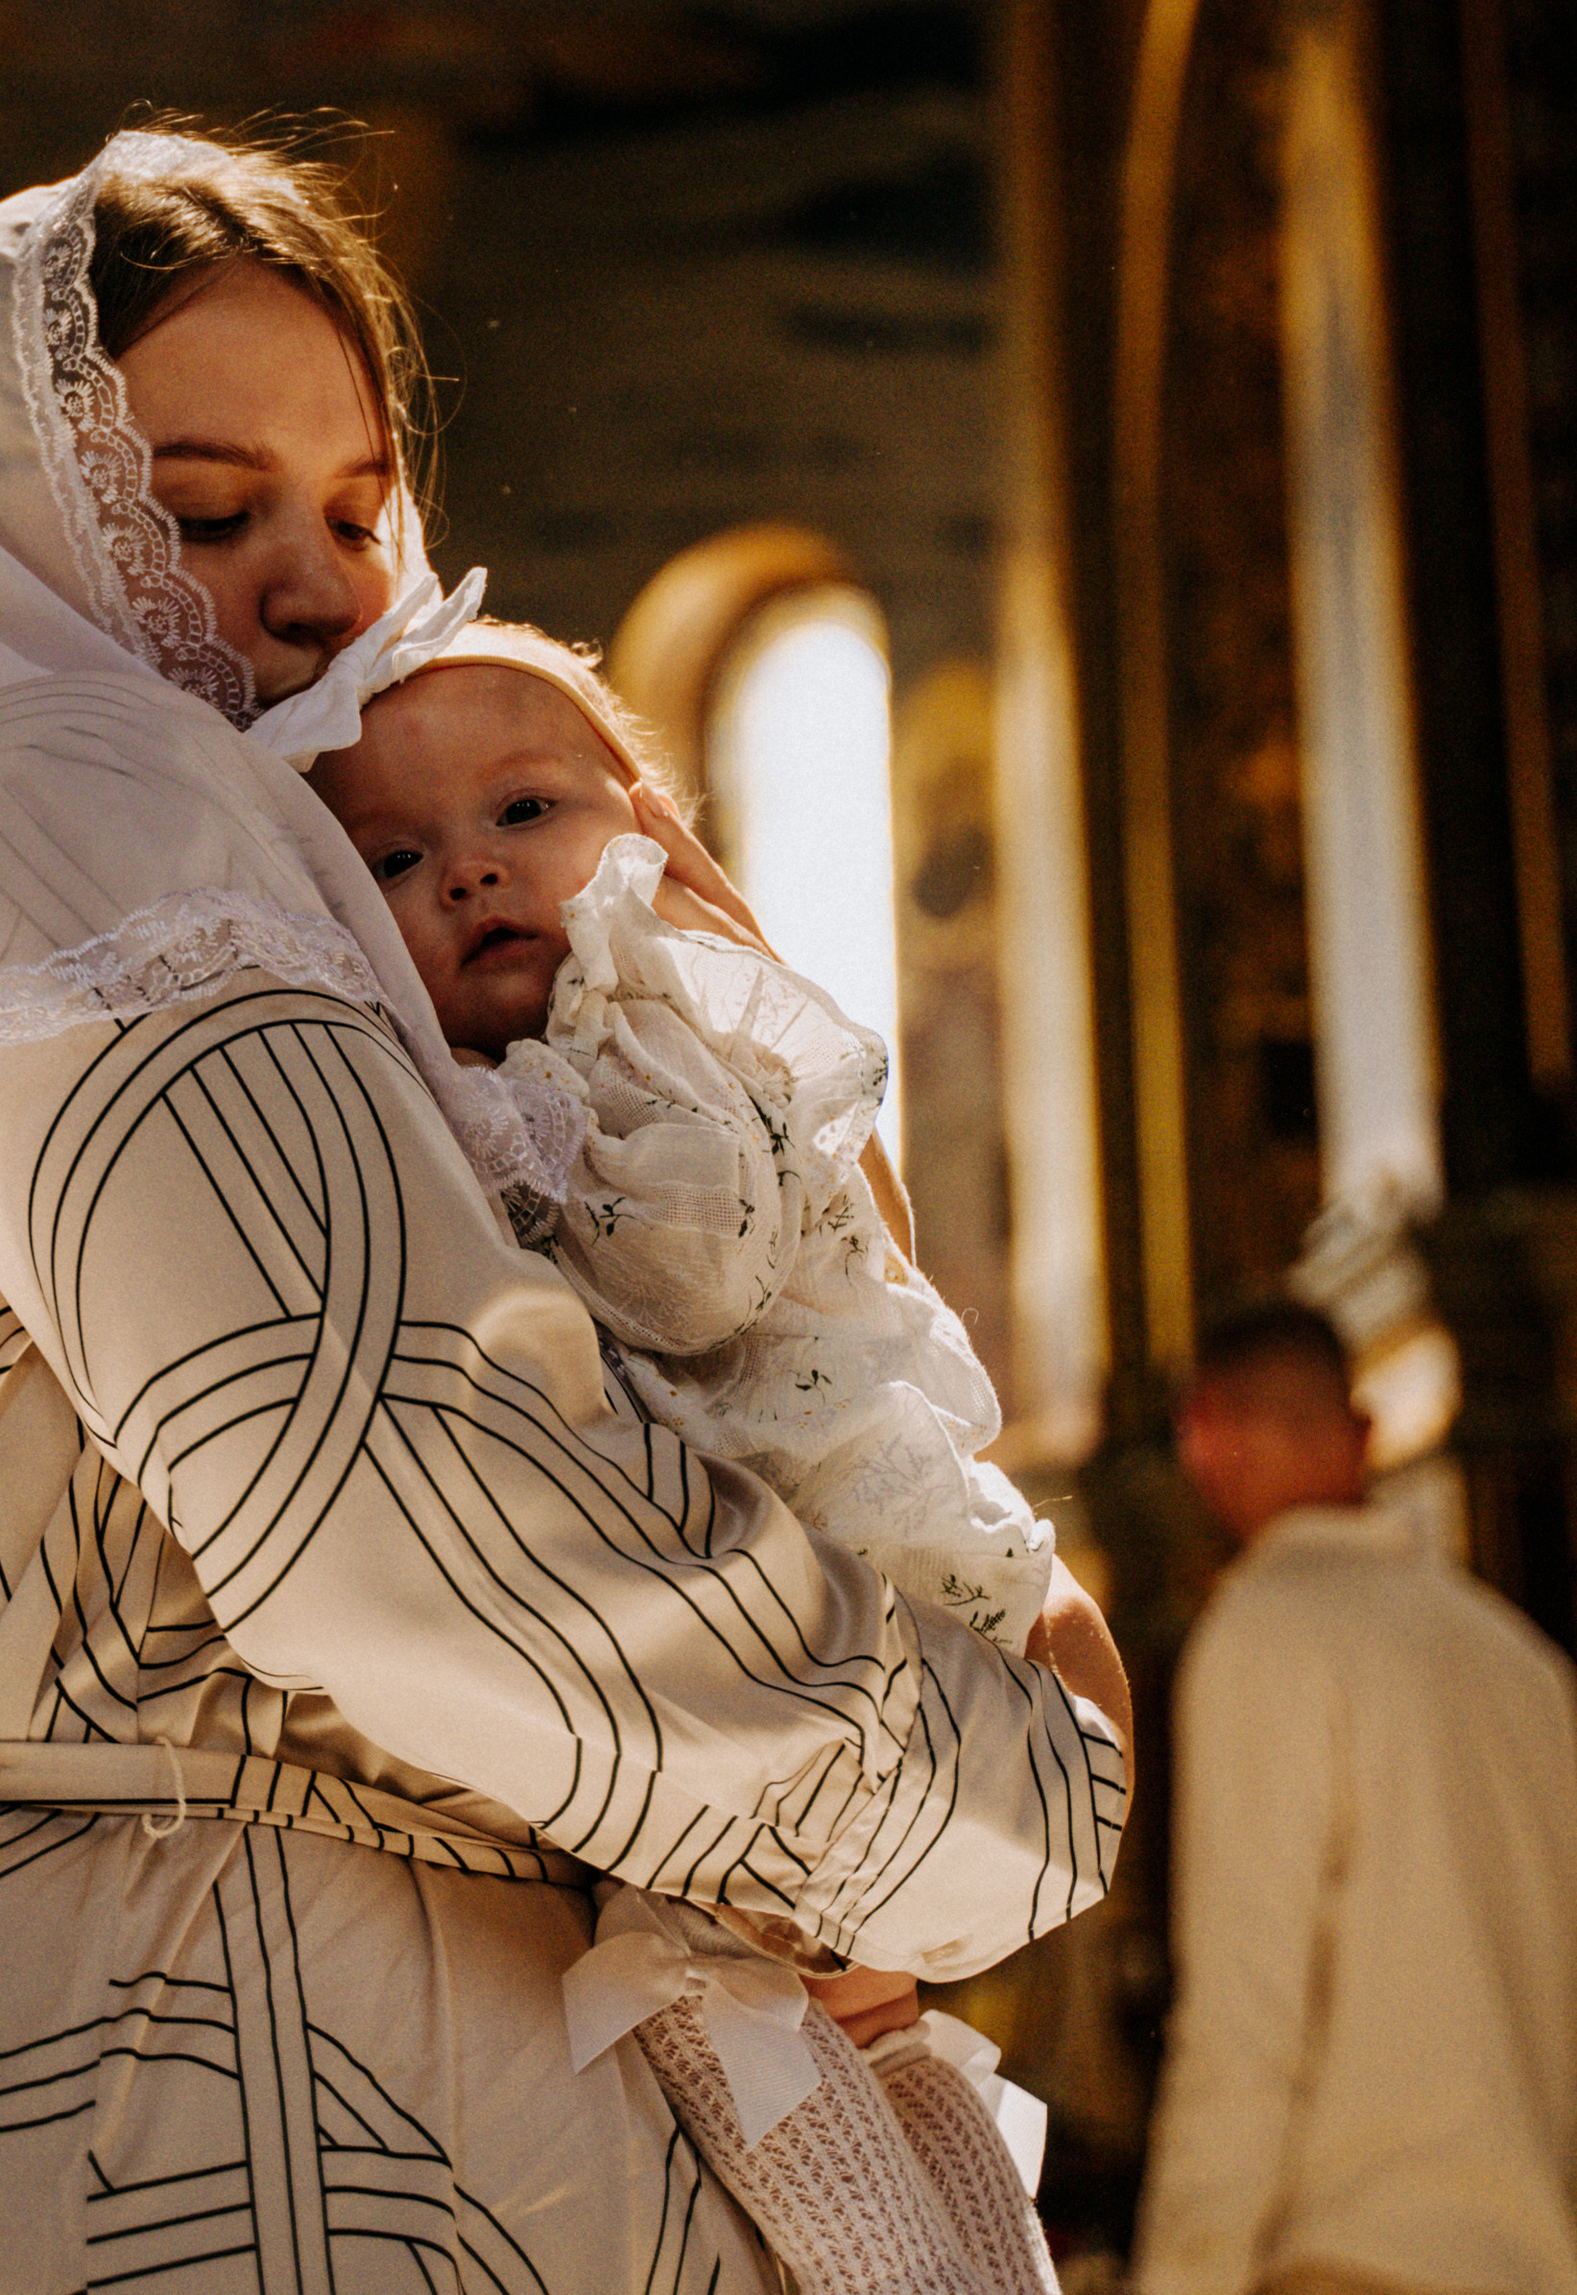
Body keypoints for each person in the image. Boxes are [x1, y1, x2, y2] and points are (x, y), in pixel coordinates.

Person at [0, 124, 1128, 2291]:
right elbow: (397, 1508)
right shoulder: (76, 806)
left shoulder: (2, 862)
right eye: (196, 514)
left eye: (361, 515)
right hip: (146, 2096)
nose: (314, 585)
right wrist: (999, 1800)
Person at [314, 624, 1110, 2295]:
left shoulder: (645, 1036)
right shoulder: (595, 1051)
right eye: (393, 855)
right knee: (870, 2025)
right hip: (814, 1568)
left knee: (713, 2004)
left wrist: (509, 1175)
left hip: (803, 1563)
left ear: (652, 844)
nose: (463, 871)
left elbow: (692, 1278)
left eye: (522, 810)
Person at [1132, 1299, 1577, 2295]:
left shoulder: (1262, 1637)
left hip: (1354, 2260)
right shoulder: (1524, 1663)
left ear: (1205, 1438)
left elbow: (1244, 2022)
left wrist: (1182, 2276)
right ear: (1363, 1432)